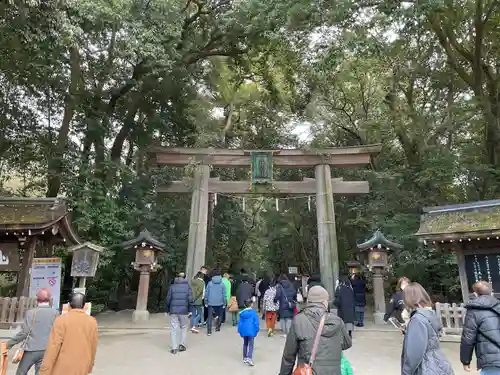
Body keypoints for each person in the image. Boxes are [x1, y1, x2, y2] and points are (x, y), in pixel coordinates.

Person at [278, 286, 352, 375]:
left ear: (308, 301)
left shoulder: (299, 320)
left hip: (309, 371)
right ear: (325, 302)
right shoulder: (337, 321)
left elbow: (289, 356)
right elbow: (347, 344)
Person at [401, 282, 454, 375]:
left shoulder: (417, 319)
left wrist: (406, 372)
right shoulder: (430, 314)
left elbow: (415, 353)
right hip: (438, 363)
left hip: (425, 367)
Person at [40, 293, 98, 375]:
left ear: (69, 305)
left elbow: (53, 346)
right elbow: (93, 346)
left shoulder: (61, 320)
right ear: (85, 306)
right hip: (82, 365)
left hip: (62, 367)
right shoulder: (92, 321)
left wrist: (45, 370)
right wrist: (90, 365)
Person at [7, 289, 58, 375]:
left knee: (21, 372)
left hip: (31, 349)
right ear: (49, 300)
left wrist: (9, 343)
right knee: (40, 373)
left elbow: (24, 333)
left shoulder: (31, 313)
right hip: (46, 349)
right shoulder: (55, 313)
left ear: (37, 300)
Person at [460, 280, 500, 374]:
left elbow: (468, 339)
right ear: (492, 293)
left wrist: (465, 361)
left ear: (475, 294)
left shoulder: (473, 311)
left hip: (490, 361)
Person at [165, 272, 193, 354]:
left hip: (173, 310)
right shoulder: (188, 287)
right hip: (184, 311)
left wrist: (166, 310)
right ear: (185, 278)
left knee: (174, 328)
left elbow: (168, 299)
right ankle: (182, 345)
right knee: (184, 327)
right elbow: (190, 300)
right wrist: (190, 310)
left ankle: (174, 348)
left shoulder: (172, 287)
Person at [238, 299, 260, 366]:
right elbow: (256, 322)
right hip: (251, 331)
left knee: (245, 344)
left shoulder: (242, 314)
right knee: (251, 344)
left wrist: (240, 331)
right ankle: (249, 358)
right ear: (251, 305)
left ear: (245, 305)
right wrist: (257, 330)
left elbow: (240, 323)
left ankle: (244, 357)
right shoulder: (253, 313)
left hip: (244, 331)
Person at [205, 269, 227, 336]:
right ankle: (217, 327)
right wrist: (224, 303)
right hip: (220, 302)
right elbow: (224, 295)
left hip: (211, 302)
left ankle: (209, 331)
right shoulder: (222, 284)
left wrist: (206, 301)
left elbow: (206, 293)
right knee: (220, 315)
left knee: (209, 316)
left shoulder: (210, 283)